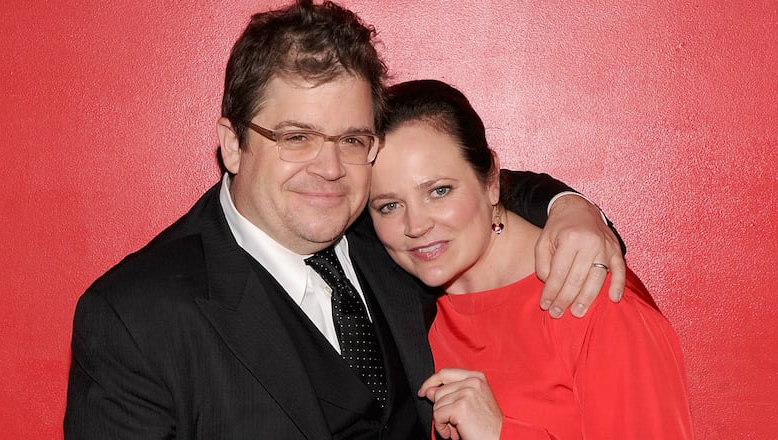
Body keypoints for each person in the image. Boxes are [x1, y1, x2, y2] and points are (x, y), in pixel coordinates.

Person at [64, 2, 626, 439]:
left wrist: (570, 208)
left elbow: (467, 185)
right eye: (296, 137)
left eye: (352, 139)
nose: (330, 169)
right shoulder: (135, 316)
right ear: (233, 144)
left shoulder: (392, 232)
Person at [367, 79, 694, 439]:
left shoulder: (592, 297)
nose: (416, 225)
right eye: (389, 206)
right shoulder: (400, 306)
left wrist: (500, 434)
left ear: (491, 179)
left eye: (439, 191)